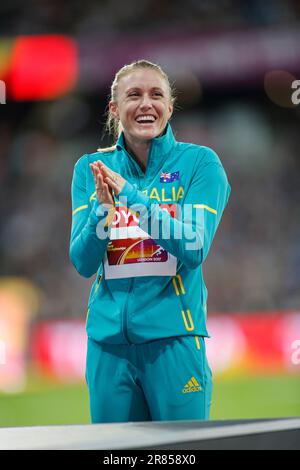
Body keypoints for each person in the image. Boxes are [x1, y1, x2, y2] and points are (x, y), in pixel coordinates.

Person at [69, 60, 231, 423]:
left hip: (174, 342)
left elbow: (193, 246)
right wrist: (102, 213)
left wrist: (131, 198)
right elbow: (82, 262)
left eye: (156, 94)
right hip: (107, 348)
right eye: (134, 95)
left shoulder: (200, 164)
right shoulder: (90, 169)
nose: (146, 103)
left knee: (180, 456)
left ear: (170, 107)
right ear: (114, 109)